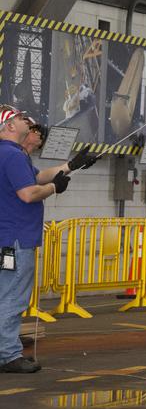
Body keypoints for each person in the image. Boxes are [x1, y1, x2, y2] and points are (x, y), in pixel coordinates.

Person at [0, 107, 95, 374]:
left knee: (5, 295)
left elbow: (37, 176)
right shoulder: (12, 155)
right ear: (8, 127)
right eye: (20, 119)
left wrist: (71, 166)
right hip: (17, 239)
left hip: (6, 237)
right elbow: (29, 193)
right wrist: (55, 188)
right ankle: (8, 355)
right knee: (12, 298)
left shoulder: (12, 155)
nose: (27, 123)